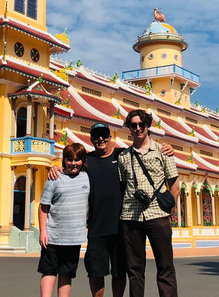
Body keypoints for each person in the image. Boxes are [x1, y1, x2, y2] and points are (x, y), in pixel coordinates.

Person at [49, 123, 174, 297]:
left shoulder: (122, 155)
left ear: (110, 137)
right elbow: (71, 166)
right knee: (95, 271)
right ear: (91, 139)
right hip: (96, 227)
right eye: (96, 136)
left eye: (104, 135)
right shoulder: (87, 161)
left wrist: (165, 147)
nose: (100, 139)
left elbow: (143, 147)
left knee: (119, 271)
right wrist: (55, 167)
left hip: (121, 225)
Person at [118, 109, 180, 297]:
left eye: (141, 124)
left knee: (165, 266)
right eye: (133, 125)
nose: (137, 128)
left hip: (158, 215)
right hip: (131, 216)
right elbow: (122, 188)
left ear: (148, 126)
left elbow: (175, 186)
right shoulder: (123, 157)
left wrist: (168, 210)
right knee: (135, 270)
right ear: (129, 128)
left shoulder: (163, 152)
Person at [38, 143, 90, 297]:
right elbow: (43, 206)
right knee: (49, 271)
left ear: (82, 161)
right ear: (64, 161)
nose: (74, 163)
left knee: (67, 273)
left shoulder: (87, 177)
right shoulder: (55, 178)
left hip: (74, 237)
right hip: (53, 236)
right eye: (70, 160)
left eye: (77, 160)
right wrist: (43, 231)